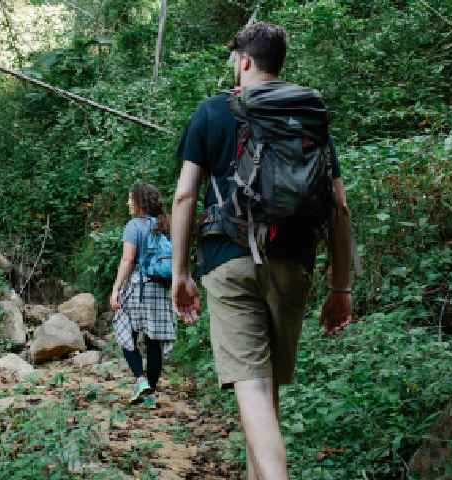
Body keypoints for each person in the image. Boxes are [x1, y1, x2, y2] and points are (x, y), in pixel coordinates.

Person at [170, 22, 353, 480]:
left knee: (251, 389)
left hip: (229, 261)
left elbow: (184, 197)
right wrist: (341, 286)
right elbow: (340, 208)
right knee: (267, 394)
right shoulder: (309, 119)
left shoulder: (212, 111)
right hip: (294, 263)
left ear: (245, 61)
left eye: (236, 60)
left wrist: (179, 273)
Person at [110, 183, 176, 405]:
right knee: (153, 340)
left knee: (124, 329)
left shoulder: (134, 226)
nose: (128, 202)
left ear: (139, 202)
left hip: (139, 286)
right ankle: (151, 391)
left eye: (130, 199)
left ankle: (141, 380)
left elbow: (128, 260)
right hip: (160, 287)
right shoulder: (164, 224)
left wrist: (116, 288)